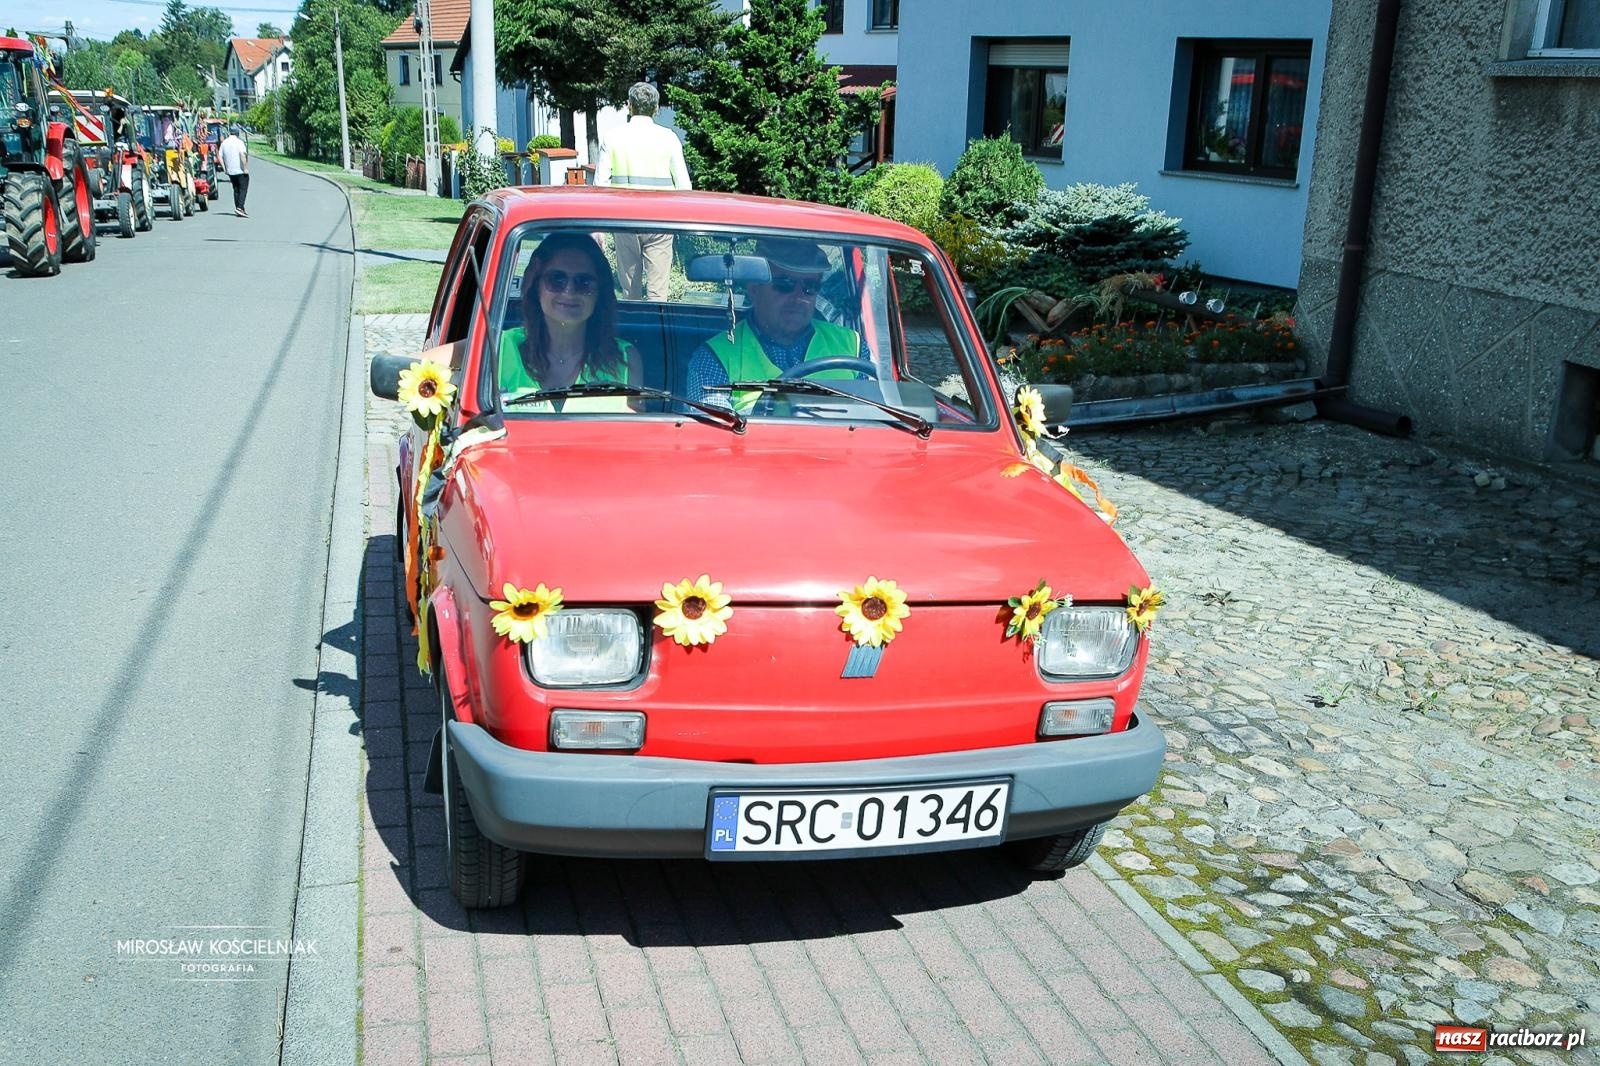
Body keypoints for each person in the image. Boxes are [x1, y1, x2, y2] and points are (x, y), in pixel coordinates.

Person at [686, 238, 870, 413]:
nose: (798, 298)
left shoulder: (853, 345)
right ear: (754, 289)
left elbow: (874, 423)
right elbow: (716, 437)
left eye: (810, 286)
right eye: (785, 284)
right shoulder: (715, 356)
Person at [499, 232, 643, 412]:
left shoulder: (625, 359)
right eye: (556, 280)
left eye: (584, 283)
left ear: (599, 293)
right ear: (537, 287)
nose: (569, 291)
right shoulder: (498, 348)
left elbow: (636, 435)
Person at [594, 82, 692, 301]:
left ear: (629, 106)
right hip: (660, 222)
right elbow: (685, 188)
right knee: (659, 294)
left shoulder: (613, 137)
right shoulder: (669, 138)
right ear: (656, 108)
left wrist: (598, 227)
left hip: (624, 221)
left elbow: (600, 185)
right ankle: (657, 331)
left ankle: (634, 331)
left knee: (630, 292)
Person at [219, 124, 249, 217]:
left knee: (236, 189)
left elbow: (220, 156)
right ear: (237, 132)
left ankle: (239, 208)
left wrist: (224, 168)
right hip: (239, 170)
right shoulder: (239, 142)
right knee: (243, 188)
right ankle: (240, 207)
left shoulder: (224, 143)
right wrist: (245, 168)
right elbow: (242, 155)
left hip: (230, 171)